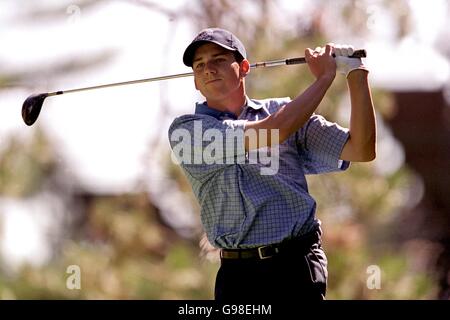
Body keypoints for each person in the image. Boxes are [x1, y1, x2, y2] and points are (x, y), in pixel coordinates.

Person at [168, 28, 376, 301]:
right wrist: (324, 77)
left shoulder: (286, 112)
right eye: (199, 65)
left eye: (218, 59)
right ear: (195, 81)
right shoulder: (187, 131)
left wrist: (355, 73)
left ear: (243, 68)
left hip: (296, 266)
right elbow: (273, 132)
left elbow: (361, 148)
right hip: (238, 276)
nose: (208, 69)